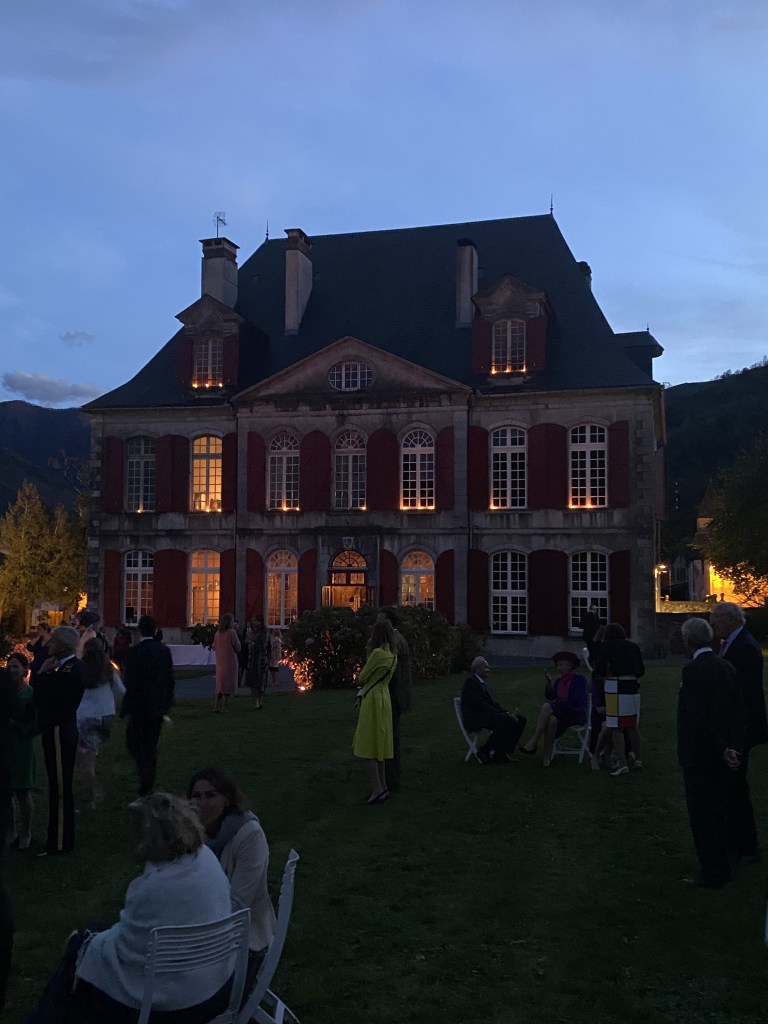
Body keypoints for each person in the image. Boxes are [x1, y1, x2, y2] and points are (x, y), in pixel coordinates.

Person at [26, 793, 233, 1024]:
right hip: (215, 989)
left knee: (79, 953)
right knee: (92, 935)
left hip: (174, 1008)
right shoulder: (207, 860)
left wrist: (84, 946)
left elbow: (127, 950)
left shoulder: (151, 889)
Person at [188, 767, 276, 993]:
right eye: (196, 796)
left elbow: (237, 906)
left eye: (210, 795)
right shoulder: (191, 835)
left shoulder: (249, 835)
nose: (202, 803)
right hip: (196, 928)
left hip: (242, 940)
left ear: (226, 799)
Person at [678, 617, 744, 889]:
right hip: (723, 751)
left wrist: (719, 747)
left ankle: (712, 871)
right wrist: (734, 747)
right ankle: (723, 865)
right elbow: (738, 710)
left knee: (702, 814)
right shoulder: (726, 666)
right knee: (719, 810)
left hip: (701, 753)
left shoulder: (693, 671)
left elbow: (697, 716)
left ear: (688, 641)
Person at [709, 601, 767, 866]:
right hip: (738, 727)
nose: (713, 624)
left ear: (730, 620)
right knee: (731, 786)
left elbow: (744, 694)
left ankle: (745, 846)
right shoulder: (734, 643)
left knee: (736, 788)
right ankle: (738, 843)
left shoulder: (744, 647)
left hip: (741, 729)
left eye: (716, 619)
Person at [32, 626, 85, 856]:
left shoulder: (69, 670)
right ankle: (57, 837)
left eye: (53, 642)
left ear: (62, 645)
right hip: (58, 728)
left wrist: (42, 674)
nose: (49, 645)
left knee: (61, 787)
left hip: (59, 729)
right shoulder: (65, 668)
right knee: (56, 785)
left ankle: (60, 841)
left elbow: (45, 695)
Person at [121, 615, 175, 796]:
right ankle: (148, 774)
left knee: (134, 741)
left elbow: (128, 681)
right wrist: (167, 703)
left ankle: (145, 773)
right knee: (150, 742)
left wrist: (126, 706)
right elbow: (169, 679)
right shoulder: (163, 651)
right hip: (156, 705)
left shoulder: (134, 652)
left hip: (138, 704)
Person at [353, 620, 398, 804]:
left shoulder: (378, 654)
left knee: (368, 744)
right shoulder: (392, 655)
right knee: (380, 743)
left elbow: (362, 677)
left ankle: (377, 788)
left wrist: (367, 654)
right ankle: (384, 787)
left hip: (373, 698)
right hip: (384, 696)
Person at [77, 638, 124, 808]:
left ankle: (94, 791)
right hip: (105, 714)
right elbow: (120, 691)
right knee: (98, 753)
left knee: (86, 757)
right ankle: (101, 784)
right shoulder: (108, 670)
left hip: (84, 715)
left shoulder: (79, 669)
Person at [593, 623, 645, 777]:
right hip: (632, 687)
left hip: (614, 687)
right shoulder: (633, 647)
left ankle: (622, 763)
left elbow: (600, 669)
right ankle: (637, 759)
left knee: (616, 727)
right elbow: (641, 670)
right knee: (632, 725)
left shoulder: (607, 647)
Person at [520, 652, 588, 767]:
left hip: (574, 713)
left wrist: (556, 705)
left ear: (570, 665)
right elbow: (551, 696)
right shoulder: (559, 681)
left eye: (562, 665)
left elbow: (575, 700)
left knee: (547, 707)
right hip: (561, 712)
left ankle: (534, 740)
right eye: (558, 665)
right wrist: (549, 683)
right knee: (552, 721)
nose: (559, 668)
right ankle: (546, 758)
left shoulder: (579, 680)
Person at [460, 656, 526, 764]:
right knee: (505, 720)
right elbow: (481, 705)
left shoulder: (483, 684)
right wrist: (504, 715)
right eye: (485, 667)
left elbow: (494, 705)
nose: (488, 670)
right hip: (476, 718)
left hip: (486, 715)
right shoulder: (471, 683)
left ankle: (501, 752)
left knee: (520, 720)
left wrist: (507, 713)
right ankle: (485, 750)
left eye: (488, 667)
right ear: (477, 669)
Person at [378, 608, 413, 791]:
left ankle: (390, 780)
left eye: (381, 620)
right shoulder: (400, 639)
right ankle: (392, 778)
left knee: (390, 739)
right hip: (398, 695)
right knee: (394, 737)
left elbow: (390, 671)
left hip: (393, 696)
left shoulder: (394, 641)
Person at [8, 654, 38, 849]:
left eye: (16, 666)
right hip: (5, 746)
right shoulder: (5, 693)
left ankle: (26, 831)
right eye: (9, 666)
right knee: (6, 792)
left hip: (23, 746)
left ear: (25, 669)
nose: (12, 670)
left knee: (22, 791)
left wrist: (17, 725)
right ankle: (10, 831)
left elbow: (35, 724)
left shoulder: (32, 694)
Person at [212, 613, 241, 714]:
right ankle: (224, 707)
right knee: (228, 685)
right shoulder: (231, 633)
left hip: (220, 661)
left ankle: (216, 706)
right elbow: (238, 646)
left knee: (220, 685)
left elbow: (214, 646)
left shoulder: (217, 634)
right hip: (230, 661)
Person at [245, 616, 269, 710]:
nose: (253, 622)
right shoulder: (253, 632)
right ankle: (256, 702)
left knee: (261, 680)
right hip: (253, 658)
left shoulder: (264, 633)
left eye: (255, 620)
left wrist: (252, 643)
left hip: (261, 658)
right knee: (253, 681)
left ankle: (260, 700)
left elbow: (264, 645)